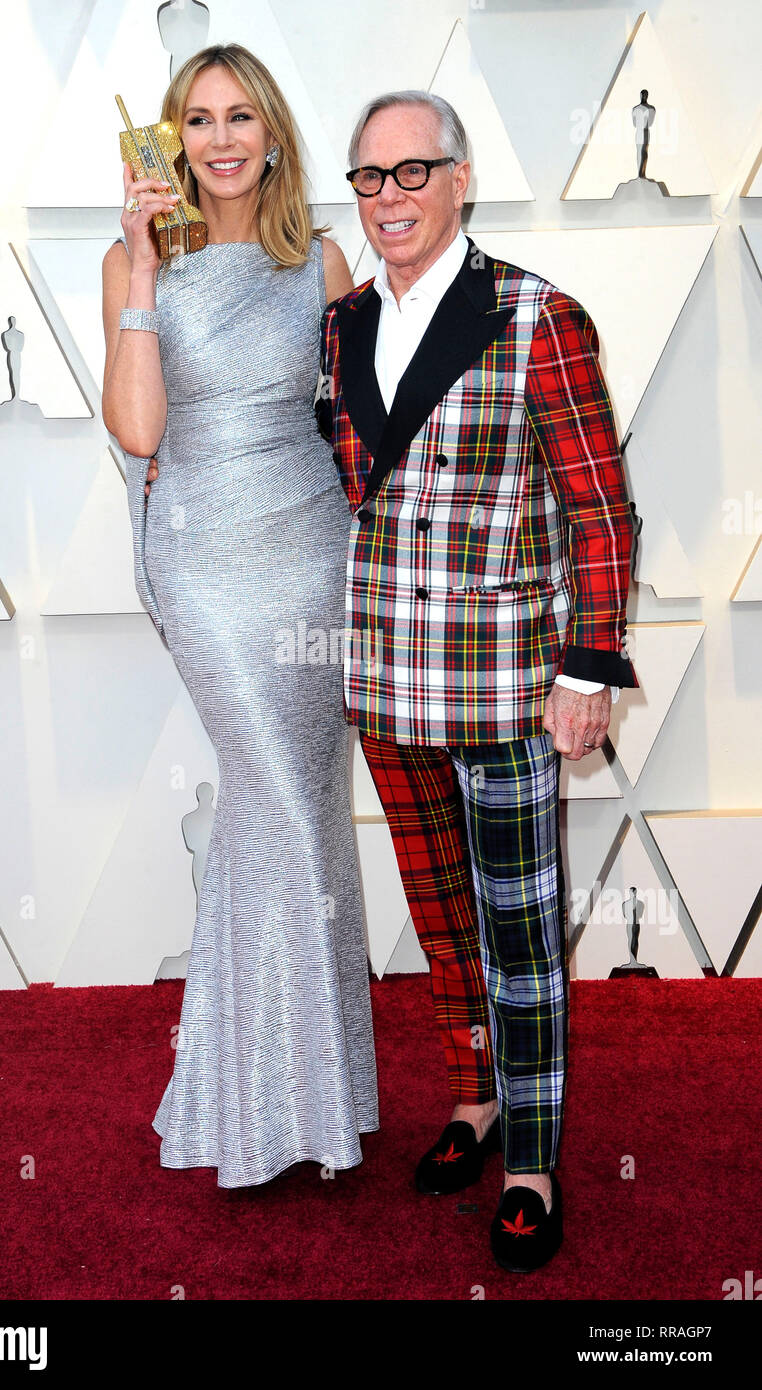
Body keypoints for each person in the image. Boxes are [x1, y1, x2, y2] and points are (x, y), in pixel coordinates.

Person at [317, 89, 638, 1271]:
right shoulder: (342, 321)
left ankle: (533, 1158)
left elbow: (598, 505)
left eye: (411, 173)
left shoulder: (535, 315)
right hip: (386, 682)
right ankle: (473, 1099)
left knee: (516, 934)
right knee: (444, 923)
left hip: (504, 684)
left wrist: (588, 664)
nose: (389, 198)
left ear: (460, 180)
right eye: (368, 178)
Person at [101, 43, 378, 1189]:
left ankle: (309, 1098)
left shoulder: (318, 260)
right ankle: (269, 1102)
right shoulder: (134, 264)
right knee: (274, 799)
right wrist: (135, 265)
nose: (219, 139)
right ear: (169, 141)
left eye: (239, 117)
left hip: (315, 558)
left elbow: (363, 418)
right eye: (196, 120)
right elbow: (138, 432)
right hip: (206, 561)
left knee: (302, 810)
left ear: (270, 135)